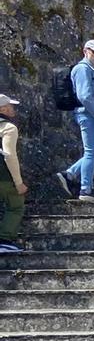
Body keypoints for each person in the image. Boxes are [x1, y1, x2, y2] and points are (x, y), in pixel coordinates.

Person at [55, 40, 94, 201]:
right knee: (92, 152)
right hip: (89, 115)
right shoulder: (82, 69)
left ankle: (69, 174)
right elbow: (85, 97)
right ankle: (86, 189)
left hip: (93, 115)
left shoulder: (90, 70)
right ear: (85, 51)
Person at [0, 94, 26, 251]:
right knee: (16, 206)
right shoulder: (9, 128)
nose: (13, 109)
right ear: (2, 109)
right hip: (4, 177)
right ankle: (4, 240)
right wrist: (19, 183)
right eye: (10, 106)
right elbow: (9, 156)